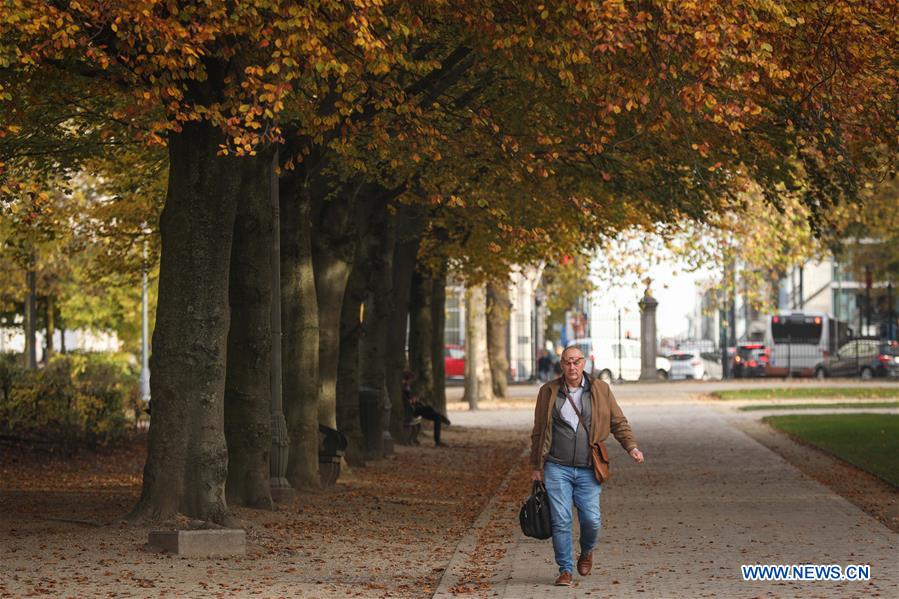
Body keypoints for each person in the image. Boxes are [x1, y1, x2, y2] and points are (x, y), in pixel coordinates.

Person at [529, 345, 644, 587]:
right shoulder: (548, 391)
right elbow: (539, 431)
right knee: (561, 520)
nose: (572, 367)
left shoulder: (600, 389)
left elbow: (617, 421)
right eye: (567, 362)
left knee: (591, 520)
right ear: (561, 365)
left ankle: (587, 550)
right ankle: (565, 570)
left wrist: (631, 447)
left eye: (576, 361)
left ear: (584, 363)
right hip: (556, 466)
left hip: (589, 467)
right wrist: (536, 466)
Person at [402, 371, 451, 447]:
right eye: (411, 380)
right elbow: (407, 402)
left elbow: (409, 400)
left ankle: (440, 419)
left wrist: (414, 400)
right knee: (433, 413)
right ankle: (441, 420)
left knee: (433, 413)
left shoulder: (407, 387)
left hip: (414, 408)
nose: (411, 382)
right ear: (408, 379)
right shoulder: (404, 388)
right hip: (412, 410)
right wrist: (413, 400)